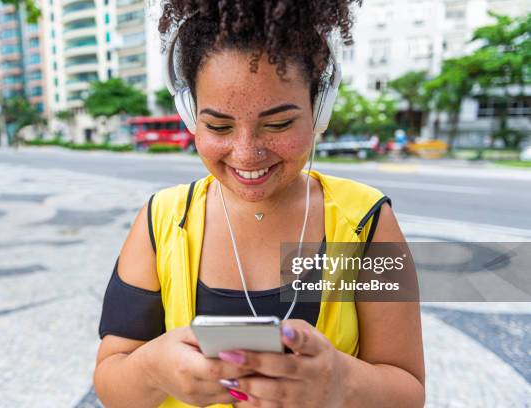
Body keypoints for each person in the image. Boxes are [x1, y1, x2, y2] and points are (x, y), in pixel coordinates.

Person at [94, 1, 425, 407]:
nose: (247, 155)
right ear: (189, 115)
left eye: (279, 123)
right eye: (218, 126)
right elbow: (111, 381)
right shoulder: (161, 221)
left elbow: (408, 392)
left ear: (320, 109)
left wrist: (342, 383)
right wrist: (150, 370)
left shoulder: (366, 221)